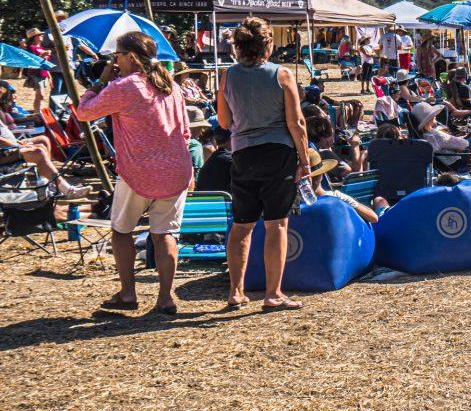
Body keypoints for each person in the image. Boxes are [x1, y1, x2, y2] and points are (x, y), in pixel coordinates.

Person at [75, 31, 193, 315]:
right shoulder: (171, 86)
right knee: (165, 234)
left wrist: (100, 81)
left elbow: (84, 112)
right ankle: (165, 298)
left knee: (121, 231)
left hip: (138, 170)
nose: (115, 61)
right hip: (175, 168)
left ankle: (128, 293)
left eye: (117, 55)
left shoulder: (125, 87)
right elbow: (186, 132)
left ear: (129, 56)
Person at [218, 18, 310, 311]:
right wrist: (305, 161)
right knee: (276, 225)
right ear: (267, 44)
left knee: (241, 225)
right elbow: (297, 123)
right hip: (277, 153)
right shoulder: (281, 75)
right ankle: (273, 294)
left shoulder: (228, 76)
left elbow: (224, 121)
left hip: (243, 153)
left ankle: (235, 291)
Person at [195, 122, 233, 193]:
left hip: (206, 201)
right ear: (232, 138)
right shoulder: (230, 160)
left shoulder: (213, 158)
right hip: (222, 202)